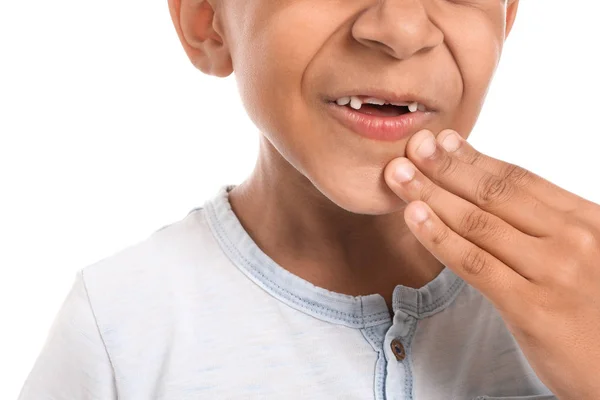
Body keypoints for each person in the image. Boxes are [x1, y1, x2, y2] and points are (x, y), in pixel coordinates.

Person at [18, 0, 600, 399]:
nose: (400, 29)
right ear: (209, 21)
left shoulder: (585, 301)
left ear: (506, 21)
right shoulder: (121, 323)